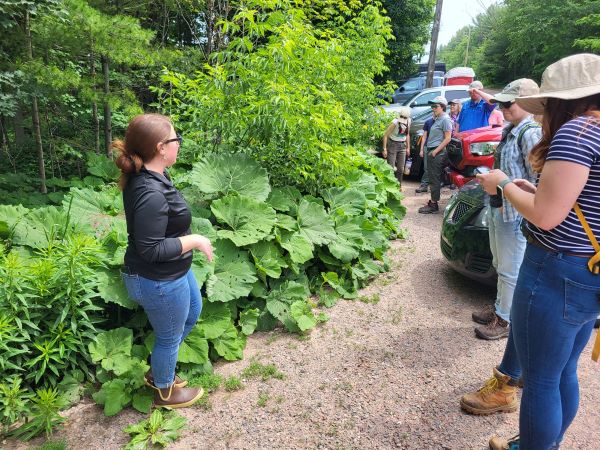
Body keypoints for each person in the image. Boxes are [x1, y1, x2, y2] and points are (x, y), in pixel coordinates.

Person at [475, 53, 600, 450]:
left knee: (540, 379)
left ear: (563, 101)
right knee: (564, 372)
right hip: (588, 268)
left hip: (554, 268)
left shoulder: (578, 132)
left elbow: (546, 217)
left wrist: (503, 184)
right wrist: (534, 190)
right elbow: (577, 202)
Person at [114, 114, 214, 409]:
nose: (179, 144)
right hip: (157, 280)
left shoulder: (154, 175)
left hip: (173, 272)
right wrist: (194, 240)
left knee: (192, 312)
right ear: (160, 147)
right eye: (176, 139)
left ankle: (160, 368)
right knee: (169, 337)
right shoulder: (150, 192)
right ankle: (164, 391)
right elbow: (151, 249)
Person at [468, 79, 541, 343]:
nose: (504, 107)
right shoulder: (511, 128)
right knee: (500, 263)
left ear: (528, 103)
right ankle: (500, 308)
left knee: (511, 268)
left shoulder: (529, 133)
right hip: (500, 207)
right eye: (502, 102)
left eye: (509, 102)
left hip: (515, 212)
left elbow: (537, 181)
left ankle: (506, 319)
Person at [418, 96, 452, 214]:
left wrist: (436, 151)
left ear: (442, 107)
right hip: (432, 150)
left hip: (437, 152)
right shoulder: (438, 118)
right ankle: (433, 201)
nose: (433, 108)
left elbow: (448, 138)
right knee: (433, 177)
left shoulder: (445, 119)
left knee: (434, 178)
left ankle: (433, 205)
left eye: (435, 106)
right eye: (432, 106)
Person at [383, 107, 411, 188]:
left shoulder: (409, 121)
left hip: (402, 145)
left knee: (401, 169)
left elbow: (407, 134)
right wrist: (384, 149)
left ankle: (398, 186)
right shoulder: (395, 123)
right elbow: (385, 135)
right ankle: (389, 186)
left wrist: (408, 147)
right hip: (393, 144)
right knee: (390, 167)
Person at [415, 116, 435, 193]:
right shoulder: (428, 122)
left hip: (438, 147)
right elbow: (424, 136)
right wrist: (421, 149)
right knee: (426, 167)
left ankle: (434, 185)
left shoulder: (443, 121)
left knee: (435, 168)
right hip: (427, 146)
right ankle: (424, 185)